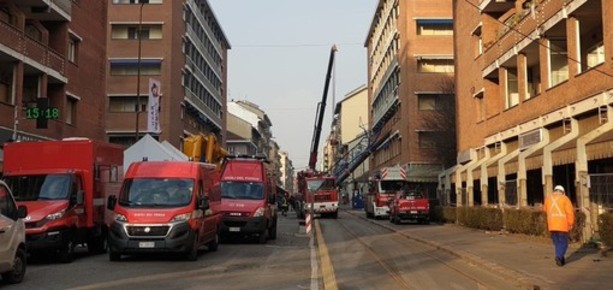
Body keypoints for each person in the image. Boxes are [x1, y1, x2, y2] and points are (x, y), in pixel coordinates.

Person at [543, 185, 575, 266]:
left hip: (552, 225)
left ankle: (560, 259)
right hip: (562, 225)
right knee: (564, 243)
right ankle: (559, 256)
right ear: (563, 192)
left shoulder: (548, 199)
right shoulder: (565, 199)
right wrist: (570, 224)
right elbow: (570, 213)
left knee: (557, 243)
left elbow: (545, 210)